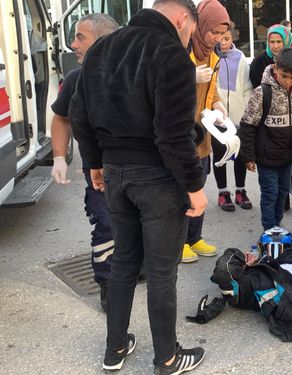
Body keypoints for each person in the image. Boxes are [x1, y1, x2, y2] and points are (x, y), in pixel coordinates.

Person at [69, 0, 208, 373]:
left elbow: (80, 115)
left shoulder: (101, 49)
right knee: (162, 271)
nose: (189, 40)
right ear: (182, 18)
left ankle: (114, 349)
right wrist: (195, 185)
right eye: (191, 32)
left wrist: (94, 162)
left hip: (115, 172)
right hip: (158, 178)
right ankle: (167, 357)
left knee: (124, 263)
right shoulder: (170, 54)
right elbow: (173, 134)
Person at [49, 14, 119, 312]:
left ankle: (130, 269)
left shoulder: (132, 73)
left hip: (138, 170)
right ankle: (107, 285)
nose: (72, 44)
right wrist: (59, 157)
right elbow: (61, 118)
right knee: (106, 227)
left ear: (103, 41)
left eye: (80, 37)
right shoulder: (77, 78)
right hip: (99, 173)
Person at [239, 49, 292, 230]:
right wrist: (248, 156)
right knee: (270, 194)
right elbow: (247, 126)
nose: (288, 81)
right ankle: (269, 231)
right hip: (267, 157)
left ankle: (277, 226)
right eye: (284, 76)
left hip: (289, 156)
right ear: (276, 69)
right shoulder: (262, 92)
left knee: (282, 194)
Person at [182, 0, 230, 263]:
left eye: (222, 35)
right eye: (214, 32)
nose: (218, 39)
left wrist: (218, 104)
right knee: (181, 191)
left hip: (203, 137)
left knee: (199, 185)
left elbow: (211, 92)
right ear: (200, 25)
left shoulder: (213, 57)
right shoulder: (180, 50)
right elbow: (161, 86)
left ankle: (194, 238)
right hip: (180, 135)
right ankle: (178, 243)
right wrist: (189, 76)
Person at [213, 25, 253, 212]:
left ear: (232, 38)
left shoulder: (241, 58)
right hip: (218, 118)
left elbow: (247, 87)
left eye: (227, 38)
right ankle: (223, 192)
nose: (223, 42)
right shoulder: (211, 57)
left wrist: (245, 111)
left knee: (239, 155)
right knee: (220, 155)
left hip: (238, 117)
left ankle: (240, 190)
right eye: (220, 37)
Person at [249, 24, 292, 93]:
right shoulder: (259, 62)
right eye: (272, 42)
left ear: (287, 41)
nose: (275, 46)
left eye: (279, 41)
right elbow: (257, 89)